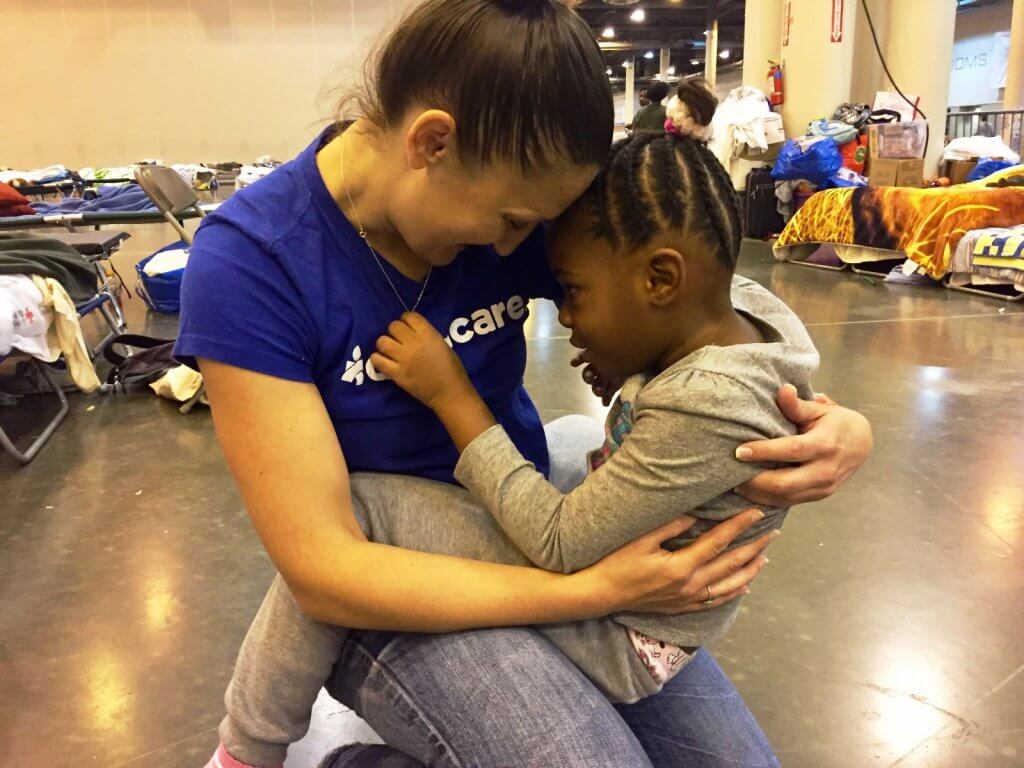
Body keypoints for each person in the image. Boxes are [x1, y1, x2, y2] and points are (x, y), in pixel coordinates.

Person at [177, 0, 873, 766]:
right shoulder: (252, 263)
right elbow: (323, 571)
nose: (521, 246)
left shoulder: (508, 201)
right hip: (385, 593)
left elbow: (695, 304)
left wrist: (830, 420)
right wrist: (596, 593)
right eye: (511, 222)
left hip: (524, 525)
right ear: (432, 143)